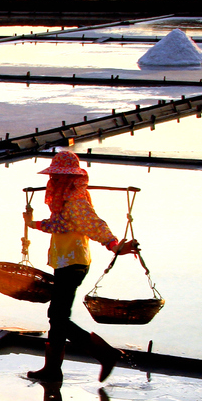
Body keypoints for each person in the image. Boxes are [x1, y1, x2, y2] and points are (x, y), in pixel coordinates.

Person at [23, 151, 138, 382]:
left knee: (57, 316)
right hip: (66, 261)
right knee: (58, 317)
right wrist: (33, 223)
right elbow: (59, 224)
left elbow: (94, 225)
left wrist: (114, 245)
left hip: (73, 262)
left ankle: (104, 353)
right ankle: (53, 369)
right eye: (53, 176)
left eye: (58, 177)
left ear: (70, 178)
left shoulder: (76, 200)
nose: (53, 181)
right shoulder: (67, 199)